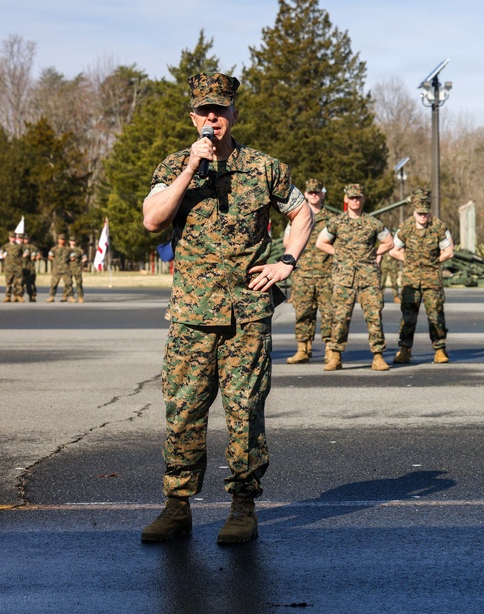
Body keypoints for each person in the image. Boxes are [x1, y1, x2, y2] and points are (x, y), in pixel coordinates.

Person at [139, 72, 313, 545]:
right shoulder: (174, 165)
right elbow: (153, 220)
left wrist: (286, 262)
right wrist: (190, 170)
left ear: (234, 114)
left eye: (220, 110)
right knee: (183, 410)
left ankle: (242, 507)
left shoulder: (264, 168)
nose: (212, 118)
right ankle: (177, 506)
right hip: (193, 316)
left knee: (245, 410)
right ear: (192, 116)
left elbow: (302, 213)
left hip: (247, 315)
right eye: (203, 111)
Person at [316, 183, 393, 372]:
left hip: (368, 276)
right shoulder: (336, 222)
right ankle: (335, 355)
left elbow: (389, 242)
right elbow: (321, 242)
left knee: (374, 315)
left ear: (364, 199)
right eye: (351, 198)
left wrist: (374, 253)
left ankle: (378, 355)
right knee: (340, 317)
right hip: (344, 277)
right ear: (346, 199)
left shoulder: (373, 223)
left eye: (358, 197)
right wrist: (339, 254)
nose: (355, 200)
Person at [389, 188, 455, 364]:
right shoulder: (406, 227)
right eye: (420, 214)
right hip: (411, 280)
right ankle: (404, 349)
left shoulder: (438, 227)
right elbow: (394, 250)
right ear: (414, 212)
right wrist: (408, 260)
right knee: (408, 316)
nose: (423, 217)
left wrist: (435, 261)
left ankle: (440, 350)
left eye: (426, 213)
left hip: (432, 279)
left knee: (436, 315)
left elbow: (449, 251)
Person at [286, 179, 334, 364]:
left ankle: (330, 349)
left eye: (317, 192)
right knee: (303, 313)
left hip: (326, 274)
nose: (314, 195)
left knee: (329, 313)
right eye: (311, 192)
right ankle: (303, 349)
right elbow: (286, 243)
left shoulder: (332, 219)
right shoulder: (297, 217)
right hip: (303, 273)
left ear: (322, 194)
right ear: (305, 194)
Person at [46, 234, 73, 302]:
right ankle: (52, 297)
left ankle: (69, 297)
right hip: (56, 269)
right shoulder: (54, 249)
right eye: (61, 239)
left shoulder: (68, 249)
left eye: (63, 239)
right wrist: (55, 260)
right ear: (58, 240)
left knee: (68, 283)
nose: (62, 241)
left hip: (66, 269)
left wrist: (67, 260)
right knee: (54, 283)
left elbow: (73, 257)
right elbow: (50, 256)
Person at [1, 232, 23, 302]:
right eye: (11, 237)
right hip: (9, 267)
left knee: (18, 282)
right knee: (8, 282)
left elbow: (23, 253)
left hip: (17, 266)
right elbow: (1, 252)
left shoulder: (19, 246)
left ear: (15, 238)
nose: (12, 239)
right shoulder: (6, 246)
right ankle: (8, 296)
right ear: (9, 238)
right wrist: (4, 257)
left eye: (13, 237)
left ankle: (18, 296)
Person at [68, 237, 87, 303]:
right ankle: (71, 297)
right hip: (68, 268)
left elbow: (84, 258)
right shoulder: (66, 249)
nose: (72, 242)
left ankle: (80, 296)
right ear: (69, 241)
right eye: (71, 241)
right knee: (69, 283)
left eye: (73, 241)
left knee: (79, 283)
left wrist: (81, 263)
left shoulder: (79, 250)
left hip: (77, 268)